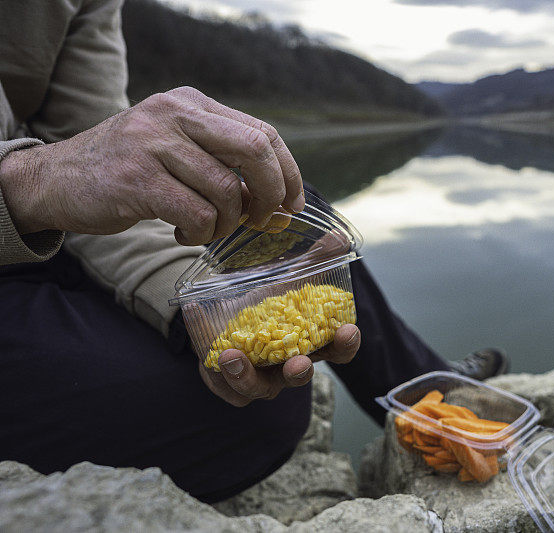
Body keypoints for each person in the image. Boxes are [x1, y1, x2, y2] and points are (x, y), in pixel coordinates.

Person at [0, 0, 507, 503]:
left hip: (50, 239)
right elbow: (69, 171)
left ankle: (426, 392)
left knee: (289, 217)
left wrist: (200, 314)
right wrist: (33, 183)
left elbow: (102, 183)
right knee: (260, 414)